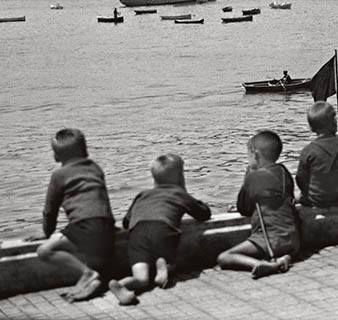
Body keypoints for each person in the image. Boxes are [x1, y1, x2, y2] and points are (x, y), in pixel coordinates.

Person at [108, 154, 211, 306]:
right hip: (164, 229)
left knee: (141, 278)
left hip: (138, 233)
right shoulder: (179, 194)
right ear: (180, 178)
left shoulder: (142, 195)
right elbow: (203, 214)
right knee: (173, 258)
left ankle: (122, 285)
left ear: (154, 179)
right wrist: (185, 192)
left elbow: (126, 222)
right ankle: (165, 266)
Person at [37, 128, 115, 302]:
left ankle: (87, 274)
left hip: (84, 227)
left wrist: (46, 233)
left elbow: (50, 210)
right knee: (98, 263)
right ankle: (96, 280)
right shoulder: (95, 168)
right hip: (106, 227)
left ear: (57, 156)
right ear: (85, 149)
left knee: (44, 251)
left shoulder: (59, 174)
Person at [217, 130, 298, 278]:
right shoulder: (283, 172)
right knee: (279, 247)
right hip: (292, 238)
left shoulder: (253, 177)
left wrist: (247, 176)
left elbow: (244, 208)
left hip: (269, 239)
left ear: (255, 154)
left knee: (224, 257)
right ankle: (284, 258)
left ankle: (262, 264)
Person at [296, 102, 338, 207]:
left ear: (311, 128)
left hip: (317, 200)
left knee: (295, 198)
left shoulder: (308, 150)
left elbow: (301, 179)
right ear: (334, 123)